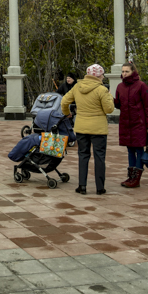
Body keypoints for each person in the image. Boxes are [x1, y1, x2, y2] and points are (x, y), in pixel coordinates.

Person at [61, 63, 115, 195]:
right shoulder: (102, 90)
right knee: (99, 157)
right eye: (102, 75)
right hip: (98, 128)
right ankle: (100, 187)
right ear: (98, 76)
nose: (103, 77)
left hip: (81, 127)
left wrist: (66, 113)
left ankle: (82, 186)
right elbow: (109, 109)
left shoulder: (77, 87)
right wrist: (109, 96)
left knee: (83, 155)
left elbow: (64, 101)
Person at [114, 62, 148, 188]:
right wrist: (112, 100)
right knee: (130, 149)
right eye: (123, 71)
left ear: (133, 72)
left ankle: (136, 178)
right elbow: (119, 105)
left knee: (139, 149)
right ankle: (131, 177)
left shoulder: (141, 86)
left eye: (127, 71)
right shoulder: (120, 86)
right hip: (126, 122)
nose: (124, 74)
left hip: (139, 123)